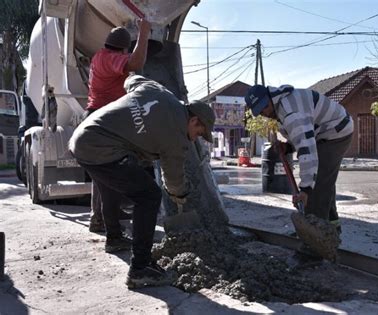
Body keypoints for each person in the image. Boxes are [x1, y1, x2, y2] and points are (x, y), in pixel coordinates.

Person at [69, 75, 215, 289]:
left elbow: (131, 79)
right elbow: (173, 180)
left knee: (121, 185)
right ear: (193, 121)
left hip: (83, 137)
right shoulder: (176, 136)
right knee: (149, 196)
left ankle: (115, 238)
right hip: (100, 149)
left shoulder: (157, 89)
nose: (195, 139)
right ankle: (140, 268)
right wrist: (181, 195)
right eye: (199, 133)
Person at [245, 84, 353, 233]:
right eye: (260, 110)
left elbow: (306, 149)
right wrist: (289, 146)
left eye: (265, 106)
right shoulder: (281, 104)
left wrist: (306, 189)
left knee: (317, 184)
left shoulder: (291, 112)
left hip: (337, 131)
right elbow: (302, 134)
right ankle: (331, 227)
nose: (264, 112)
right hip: (323, 132)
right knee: (324, 181)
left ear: (270, 97)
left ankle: (315, 236)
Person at [86, 19, 152, 233]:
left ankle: (109, 213)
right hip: (102, 120)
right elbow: (136, 63)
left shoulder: (99, 56)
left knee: (108, 169)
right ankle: (99, 219)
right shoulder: (110, 59)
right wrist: (144, 32)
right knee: (105, 171)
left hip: (103, 118)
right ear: (123, 48)